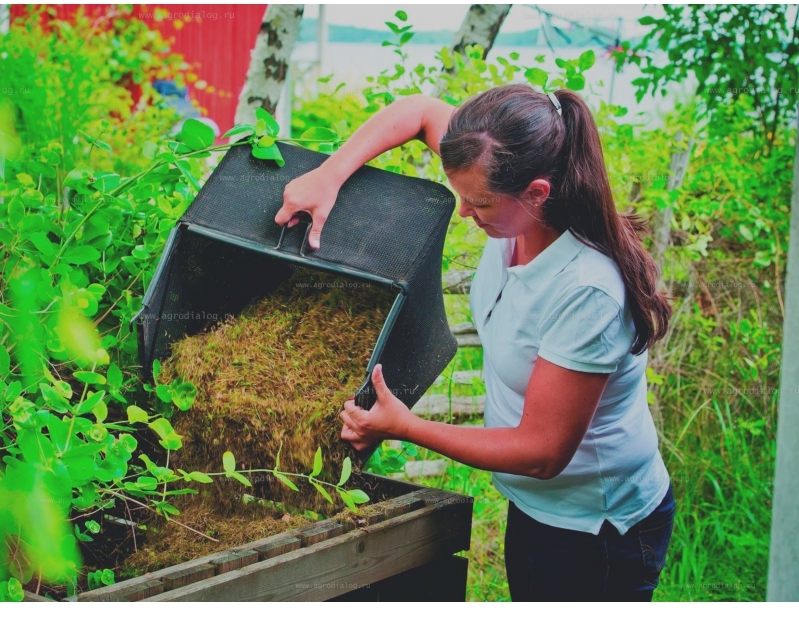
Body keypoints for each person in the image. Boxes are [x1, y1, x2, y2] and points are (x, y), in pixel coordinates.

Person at [274, 85, 676, 602]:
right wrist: (327, 177)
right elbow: (418, 111)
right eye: (460, 194)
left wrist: (405, 427)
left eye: (479, 202)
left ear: (537, 193)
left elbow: (541, 452)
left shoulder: (586, 290)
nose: (463, 212)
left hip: (595, 529)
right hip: (534, 506)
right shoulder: (498, 165)